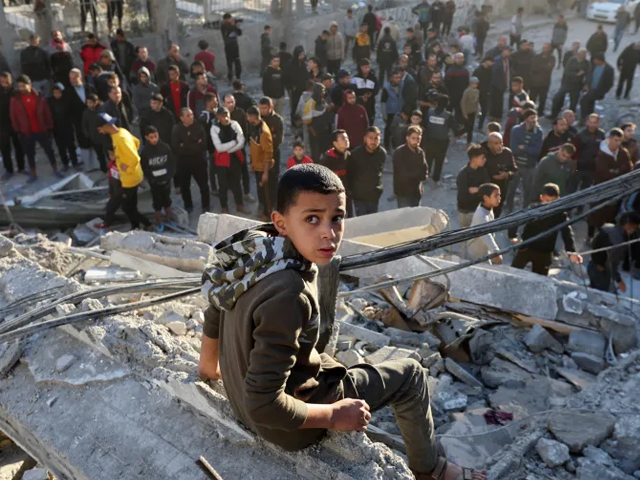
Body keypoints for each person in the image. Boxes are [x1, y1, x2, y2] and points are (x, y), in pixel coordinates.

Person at [200, 160, 488, 480]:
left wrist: (209, 369)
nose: (329, 233)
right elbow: (263, 406)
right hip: (286, 430)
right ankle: (431, 469)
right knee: (411, 374)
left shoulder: (249, 252)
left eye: (337, 218)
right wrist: (335, 415)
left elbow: (215, 309)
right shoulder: (289, 293)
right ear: (280, 222)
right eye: (312, 219)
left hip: (239, 404)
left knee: (322, 356)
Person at [510, 183, 582, 276]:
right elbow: (518, 219)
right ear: (542, 198)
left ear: (558, 199)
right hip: (526, 247)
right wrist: (512, 235)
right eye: (547, 200)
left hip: (544, 252)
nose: (550, 204)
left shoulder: (560, 214)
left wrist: (571, 252)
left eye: (553, 201)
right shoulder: (533, 208)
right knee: (512, 273)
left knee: (540, 280)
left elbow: (567, 233)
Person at [96, 113, 150, 230]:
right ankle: (137, 226)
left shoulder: (120, 139)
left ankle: (145, 224)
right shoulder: (121, 131)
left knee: (127, 208)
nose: (100, 132)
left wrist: (128, 167)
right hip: (134, 175)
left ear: (105, 126)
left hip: (129, 179)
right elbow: (136, 142)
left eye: (100, 129)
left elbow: (135, 158)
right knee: (131, 207)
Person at [10, 75, 59, 182]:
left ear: (30, 85)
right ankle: (33, 174)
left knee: (49, 150)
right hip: (26, 132)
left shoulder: (39, 98)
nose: (21, 89)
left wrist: (49, 127)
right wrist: (18, 130)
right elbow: (13, 116)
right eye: (19, 86)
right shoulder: (15, 100)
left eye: (23, 86)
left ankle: (55, 169)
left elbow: (47, 113)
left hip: (41, 129)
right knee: (30, 153)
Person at [587, 128, 634, 237]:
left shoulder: (623, 152)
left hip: (616, 190)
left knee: (610, 216)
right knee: (595, 214)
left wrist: (615, 171)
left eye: (619, 140)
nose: (617, 143)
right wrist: (619, 172)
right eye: (615, 140)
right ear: (609, 139)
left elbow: (629, 169)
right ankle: (589, 236)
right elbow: (604, 173)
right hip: (600, 188)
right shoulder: (601, 154)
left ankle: (604, 238)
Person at [588, 212, 640, 293]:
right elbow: (611, 264)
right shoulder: (618, 241)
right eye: (634, 228)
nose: (634, 231)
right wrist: (619, 281)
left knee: (594, 292)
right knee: (605, 297)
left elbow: (593, 243)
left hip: (592, 266)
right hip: (601, 272)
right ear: (627, 225)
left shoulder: (608, 227)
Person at [211, 106, 247, 215]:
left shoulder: (235, 124)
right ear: (218, 117)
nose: (225, 118)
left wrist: (229, 149)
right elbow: (219, 148)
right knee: (223, 185)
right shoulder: (214, 128)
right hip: (222, 161)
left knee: (237, 183)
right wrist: (233, 143)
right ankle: (224, 207)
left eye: (226, 115)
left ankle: (240, 205)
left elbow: (241, 142)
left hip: (235, 158)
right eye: (222, 116)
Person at [172, 107, 209, 214]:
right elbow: (176, 147)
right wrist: (194, 143)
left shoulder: (198, 127)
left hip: (199, 162)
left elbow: (203, 145)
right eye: (188, 115)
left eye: (192, 114)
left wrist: (185, 145)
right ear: (182, 118)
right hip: (183, 163)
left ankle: (206, 206)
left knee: (203, 185)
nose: (191, 117)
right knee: (185, 186)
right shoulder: (176, 129)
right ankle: (188, 205)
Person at [140, 126, 176, 233]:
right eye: (151, 137)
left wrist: (169, 175)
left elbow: (172, 163)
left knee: (167, 201)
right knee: (157, 204)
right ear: (147, 137)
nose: (154, 139)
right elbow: (144, 167)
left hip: (166, 180)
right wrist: (151, 178)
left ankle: (169, 220)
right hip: (154, 182)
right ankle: (160, 223)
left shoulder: (165, 147)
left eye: (156, 136)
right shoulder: (145, 152)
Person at [506, 109, 543, 212]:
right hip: (515, 165)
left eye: (535, 117)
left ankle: (525, 210)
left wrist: (524, 147)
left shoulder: (538, 132)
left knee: (528, 190)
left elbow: (537, 151)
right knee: (511, 189)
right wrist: (528, 149)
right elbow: (514, 149)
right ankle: (509, 209)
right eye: (532, 118)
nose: (534, 120)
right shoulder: (516, 130)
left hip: (529, 167)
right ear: (526, 119)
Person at [568, 113, 605, 207]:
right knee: (572, 189)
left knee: (585, 190)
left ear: (599, 123)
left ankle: (580, 209)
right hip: (579, 167)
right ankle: (568, 208)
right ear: (587, 122)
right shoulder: (580, 135)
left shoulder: (601, 134)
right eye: (590, 122)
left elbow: (602, 150)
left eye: (595, 122)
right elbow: (575, 152)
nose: (592, 125)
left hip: (592, 168)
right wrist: (574, 167)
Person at [348, 126, 386, 216]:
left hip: (374, 196)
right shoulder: (355, 154)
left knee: (372, 224)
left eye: (376, 138)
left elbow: (379, 172)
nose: (373, 141)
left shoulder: (382, 153)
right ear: (365, 139)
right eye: (371, 138)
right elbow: (350, 174)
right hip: (360, 197)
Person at [246, 106, 275, 221]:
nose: (247, 119)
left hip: (264, 168)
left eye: (248, 116)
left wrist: (265, 173)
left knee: (267, 194)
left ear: (253, 116)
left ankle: (268, 215)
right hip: (257, 167)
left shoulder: (263, 132)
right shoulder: (254, 127)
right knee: (260, 192)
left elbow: (268, 154)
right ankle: (263, 211)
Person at [223, 93, 253, 202]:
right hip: (227, 150)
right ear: (224, 103)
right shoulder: (221, 114)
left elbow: (246, 131)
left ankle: (246, 192)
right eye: (228, 102)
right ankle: (234, 192)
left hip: (240, 148)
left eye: (232, 102)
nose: (230, 104)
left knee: (244, 170)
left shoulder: (240, 113)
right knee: (230, 172)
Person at [423, 94, 456, 186]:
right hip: (442, 141)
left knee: (428, 159)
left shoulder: (429, 112)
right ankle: (435, 181)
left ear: (436, 103)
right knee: (439, 161)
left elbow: (425, 124)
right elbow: (454, 127)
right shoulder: (448, 115)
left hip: (430, 139)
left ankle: (425, 177)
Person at [481, 132, 517, 218]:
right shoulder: (483, 154)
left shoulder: (507, 153)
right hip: (485, 191)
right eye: (496, 143)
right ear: (489, 145)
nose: (500, 145)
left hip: (501, 190)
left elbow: (514, 170)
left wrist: (506, 175)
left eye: (501, 142)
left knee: (496, 214)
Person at [466, 183, 502, 263]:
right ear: (486, 197)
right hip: (477, 253)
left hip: (484, 249)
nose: (499, 198)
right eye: (496, 196)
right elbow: (486, 235)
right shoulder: (481, 215)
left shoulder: (488, 207)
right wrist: (495, 251)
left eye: (499, 195)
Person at [393, 125, 428, 208]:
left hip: (416, 192)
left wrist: (418, 174)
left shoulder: (420, 152)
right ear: (407, 138)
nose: (416, 141)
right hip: (403, 193)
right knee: (405, 218)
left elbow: (425, 172)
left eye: (418, 138)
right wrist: (418, 174)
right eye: (413, 138)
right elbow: (404, 175)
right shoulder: (399, 152)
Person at [457, 144, 490, 228]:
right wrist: (481, 192)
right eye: (482, 158)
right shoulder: (463, 175)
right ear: (474, 158)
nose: (485, 160)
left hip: (480, 210)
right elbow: (463, 197)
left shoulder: (483, 171)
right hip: (466, 212)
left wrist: (477, 189)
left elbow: (488, 189)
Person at [0, 73, 26, 179]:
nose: (4, 83)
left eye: (6, 81)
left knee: (19, 147)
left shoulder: (16, 93)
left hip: (15, 124)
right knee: (5, 149)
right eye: (2, 81)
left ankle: (21, 167)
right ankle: (9, 170)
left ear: (11, 80)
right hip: (2, 126)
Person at [319, 130, 351, 215]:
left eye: (347, 137)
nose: (347, 140)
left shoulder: (348, 155)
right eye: (343, 138)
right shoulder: (327, 159)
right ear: (335, 143)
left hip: (346, 194)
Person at [48, 83, 79, 171]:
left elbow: (72, 112)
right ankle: (65, 163)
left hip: (67, 126)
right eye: (55, 93)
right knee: (61, 147)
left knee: (71, 146)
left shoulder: (67, 100)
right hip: (56, 128)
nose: (57, 95)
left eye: (59, 92)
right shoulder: (50, 101)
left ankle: (75, 162)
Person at [550, 49, 589, 119]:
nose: (583, 56)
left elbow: (588, 74)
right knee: (557, 98)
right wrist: (576, 74)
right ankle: (553, 114)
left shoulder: (586, 63)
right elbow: (567, 72)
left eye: (584, 55)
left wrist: (586, 84)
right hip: (567, 83)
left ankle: (570, 117)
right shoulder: (572, 60)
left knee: (573, 102)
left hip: (577, 85)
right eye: (582, 54)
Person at [580, 53, 614, 123]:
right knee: (589, 103)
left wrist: (602, 92)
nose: (594, 61)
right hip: (590, 89)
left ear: (600, 60)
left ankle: (583, 119)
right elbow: (589, 76)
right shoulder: (594, 66)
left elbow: (610, 83)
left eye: (596, 60)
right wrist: (586, 84)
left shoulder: (609, 69)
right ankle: (590, 118)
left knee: (584, 101)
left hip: (598, 91)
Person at [81, 93, 107, 172]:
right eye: (87, 102)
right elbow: (84, 126)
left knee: (110, 153)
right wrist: (89, 135)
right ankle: (104, 170)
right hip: (95, 138)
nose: (88, 104)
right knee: (100, 155)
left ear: (96, 102)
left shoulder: (102, 110)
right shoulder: (86, 113)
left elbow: (110, 120)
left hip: (105, 136)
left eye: (90, 102)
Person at [529, 44, 556, 117]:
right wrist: (544, 67)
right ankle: (531, 111)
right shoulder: (537, 57)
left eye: (547, 48)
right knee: (532, 98)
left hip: (545, 82)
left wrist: (540, 67)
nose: (546, 49)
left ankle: (540, 112)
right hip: (535, 82)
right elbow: (534, 67)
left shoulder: (552, 58)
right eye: (544, 48)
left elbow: (550, 67)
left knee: (543, 98)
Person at [381, 70, 404, 151]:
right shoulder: (386, 88)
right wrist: (384, 115)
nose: (398, 80)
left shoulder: (402, 85)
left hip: (399, 111)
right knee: (388, 129)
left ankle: (395, 145)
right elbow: (383, 102)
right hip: (390, 112)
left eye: (399, 78)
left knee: (398, 129)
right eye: (396, 78)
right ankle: (387, 145)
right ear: (391, 78)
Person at [352, 59, 379, 125]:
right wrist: (360, 97)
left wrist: (371, 94)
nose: (367, 69)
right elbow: (353, 91)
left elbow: (376, 89)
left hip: (370, 103)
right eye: (365, 67)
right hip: (359, 103)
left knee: (370, 120)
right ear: (360, 67)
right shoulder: (355, 78)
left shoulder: (373, 78)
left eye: (368, 67)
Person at [444, 53, 469, 122]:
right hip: (451, 96)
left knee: (459, 114)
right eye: (458, 58)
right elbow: (446, 84)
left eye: (461, 58)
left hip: (461, 96)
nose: (460, 60)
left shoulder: (465, 71)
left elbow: (466, 83)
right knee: (448, 113)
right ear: (454, 59)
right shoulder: (450, 71)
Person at [490, 46, 512, 121]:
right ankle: (494, 116)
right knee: (496, 101)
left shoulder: (508, 60)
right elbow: (495, 74)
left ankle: (498, 116)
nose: (508, 53)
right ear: (503, 51)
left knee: (500, 101)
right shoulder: (497, 60)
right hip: (497, 85)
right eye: (507, 51)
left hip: (504, 83)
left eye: (510, 52)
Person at [220, 13, 242, 83]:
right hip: (228, 46)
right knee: (229, 63)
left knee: (237, 61)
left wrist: (236, 26)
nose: (231, 20)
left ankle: (238, 77)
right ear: (226, 19)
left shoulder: (232, 25)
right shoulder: (224, 26)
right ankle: (230, 78)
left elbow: (239, 33)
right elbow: (229, 29)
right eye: (229, 19)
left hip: (235, 45)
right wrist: (234, 25)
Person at [473, 57, 493, 130]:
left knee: (485, 111)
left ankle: (480, 127)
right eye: (491, 62)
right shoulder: (478, 70)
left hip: (486, 93)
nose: (492, 63)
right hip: (477, 93)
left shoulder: (490, 70)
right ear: (486, 61)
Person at [461, 77, 480, 145]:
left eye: (476, 84)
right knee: (467, 126)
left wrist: (477, 111)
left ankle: (469, 141)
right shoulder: (467, 91)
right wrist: (464, 113)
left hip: (473, 111)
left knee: (471, 127)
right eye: (473, 84)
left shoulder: (477, 91)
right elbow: (463, 102)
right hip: (467, 111)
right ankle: (459, 133)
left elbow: (477, 102)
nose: (475, 85)